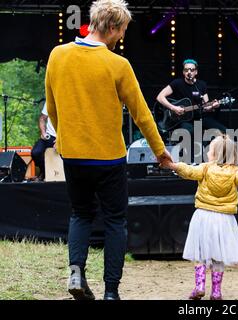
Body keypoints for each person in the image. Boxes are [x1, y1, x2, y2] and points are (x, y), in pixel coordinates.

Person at [45, 0, 172, 300]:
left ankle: (76, 271)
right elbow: (142, 114)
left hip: (73, 155)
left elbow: (52, 108)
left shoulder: (57, 55)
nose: (122, 37)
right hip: (109, 157)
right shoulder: (118, 64)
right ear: (112, 27)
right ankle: (111, 292)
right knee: (116, 221)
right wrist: (160, 152)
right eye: (123, 30)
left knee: (81, 214)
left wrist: (65, 138)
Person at [161, 134, 238, 300]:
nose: (207, 152)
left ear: (214, 154)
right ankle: (216, 292)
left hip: (203, 216)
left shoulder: (205, 168)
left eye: (209, 150)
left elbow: (188, 171)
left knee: (200, 253)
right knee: (218, 256)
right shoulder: (235, 172)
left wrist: (172, 165)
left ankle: (199, 286)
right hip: (224, 219)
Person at [156, 59, 227, 162]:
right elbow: (160, 97)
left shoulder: (201, 85)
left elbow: (206, 106)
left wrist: (213, 106)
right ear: (183, 72)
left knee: (223, 131)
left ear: (196, 72)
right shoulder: (176, 83)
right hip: (184, 120)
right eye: (186, 70)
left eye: (192, 70)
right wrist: (173, 108)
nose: (189, 72)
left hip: (200, 117)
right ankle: (189, 160)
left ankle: (217, 160)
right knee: (191, 131)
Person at [31, 102, 56, 180]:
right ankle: (44, 172)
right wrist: (43, 133)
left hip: (64, 137)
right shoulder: (49, 100)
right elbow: (42, 118)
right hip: (50, 136)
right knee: (36, 152)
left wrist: (60, 139)